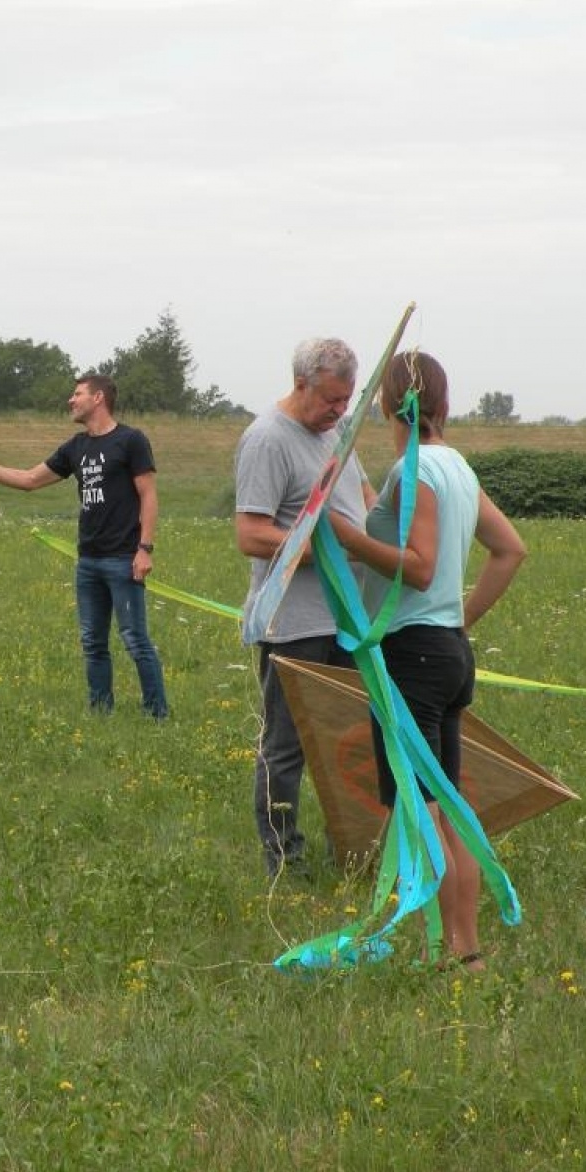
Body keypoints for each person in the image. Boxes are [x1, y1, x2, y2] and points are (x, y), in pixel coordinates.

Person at [327, 351, 527, 970]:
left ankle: (460, 954)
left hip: (414, 657)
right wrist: (458, 621)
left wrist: (347, 537)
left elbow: (416, 566)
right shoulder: (456, 466)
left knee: (425, 812)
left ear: (387, 404)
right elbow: (509, 551)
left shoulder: (414, 473)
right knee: (444, 806)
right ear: (444, 404)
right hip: (444, 653)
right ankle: (463, 952)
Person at [235, 338, 374, 879]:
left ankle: (354, 846)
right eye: (331, 401)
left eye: (347, 400)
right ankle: (284, 860)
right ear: (301, 384)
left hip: (345, 619)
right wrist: (334, 556)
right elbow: (251, 534)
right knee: (287, 746)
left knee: (349, 738)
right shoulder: (267, 440)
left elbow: (363, 500)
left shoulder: (336, 430)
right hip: (293, 623)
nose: (339, 412)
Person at [0, 373, 168, 719]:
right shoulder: (76, 448)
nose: (71, 400)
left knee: (135, 639)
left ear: (98, 398)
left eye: (77, 394)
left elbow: (148, 494)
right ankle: (101, 712)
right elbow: (28, 480)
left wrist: (145, 549)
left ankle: (156, 714)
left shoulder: (130, 440)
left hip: (123, 559)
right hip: (88, 562)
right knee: (93, 643)